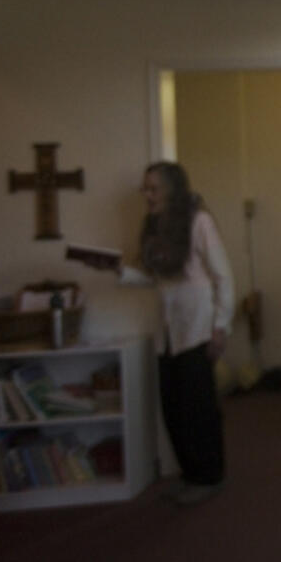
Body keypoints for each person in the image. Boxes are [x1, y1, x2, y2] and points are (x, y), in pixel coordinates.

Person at [120, 161, 235, 507]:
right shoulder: (153, 228)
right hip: (167, 330)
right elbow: (156, 279)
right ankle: (190, 474)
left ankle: (209, 476)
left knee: (198, 407)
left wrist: (221, 326)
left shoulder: (199, 221)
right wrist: (117, 271)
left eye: (153, 188)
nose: (147, 195)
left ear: (171, 189)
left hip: (198, 327)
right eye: (145, 189)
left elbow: (223, 277)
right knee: (173, 408)